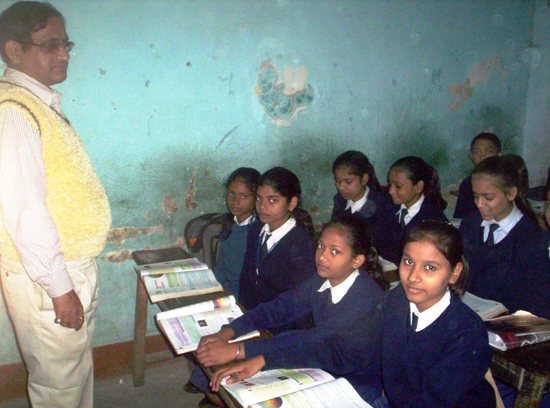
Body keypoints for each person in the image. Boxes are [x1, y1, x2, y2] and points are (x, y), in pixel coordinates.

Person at [0, 2, 111, 407]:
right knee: (59, 384)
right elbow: (24, 209)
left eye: (66, 44)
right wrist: (60, 289)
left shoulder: (37, 104)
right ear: (14, 51)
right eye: (51, 45)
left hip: (69, 265)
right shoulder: (13, 112)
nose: (63, 54)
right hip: (49, 274)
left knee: (73, 369)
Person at [199, 215, 386, 405]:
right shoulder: (321, 280)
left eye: (334, 251)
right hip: (322, 366)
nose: (322, 256)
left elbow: (312, 339)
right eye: (321, 246)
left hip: (356, 384)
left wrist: (241, 351)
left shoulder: (365, 298)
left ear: (357, 261)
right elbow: (280, 308)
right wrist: (228, 331)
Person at [380, 221, 495, 407]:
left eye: (430, 267)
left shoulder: (466, 332)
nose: (413, 277)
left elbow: (435, 401)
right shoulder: (395, 301)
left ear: (454, 273)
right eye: (408, 262)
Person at [460, 156, 550, 318]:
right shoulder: (470, 223)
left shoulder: (532, 238)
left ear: (511, 194)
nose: (479, 204)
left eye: (488, 197)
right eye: (475, 196)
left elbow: (535, 300)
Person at [238, 166, 316, 320]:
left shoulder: (301, 245)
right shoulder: (256, 229)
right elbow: (247, 278)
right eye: (259, 198)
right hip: (252, 316)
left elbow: (297, 305)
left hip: (282, 325)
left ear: (292, 203)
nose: (262, 206)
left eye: (272, 200)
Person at [374, 156, 447, 264]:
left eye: (398, 186)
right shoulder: (386, 207)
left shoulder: (434, 220)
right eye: (390, 184)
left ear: (418, 187)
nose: (391, 191)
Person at [212, 167, 260, 299]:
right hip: (223, 292)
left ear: (257, 199)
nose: (235, 201)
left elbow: (248, 282)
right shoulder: (229, 225)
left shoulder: (257, 233)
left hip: (242, 299)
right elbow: (220, 267)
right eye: (231, 193)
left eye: (244, 196)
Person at [330, 150, 390, 227]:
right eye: (338, 181)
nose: (341, 187)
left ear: (364, 179)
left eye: (348, 181)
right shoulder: (340, 199)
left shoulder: (381, 205)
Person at [454, 132, 501, 218]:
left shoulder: (506, 180)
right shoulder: (467, 184)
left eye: (489, 151)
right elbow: (461, 217)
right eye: (477, 152)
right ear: (471, 156)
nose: (482, 156)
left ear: (499, 155)